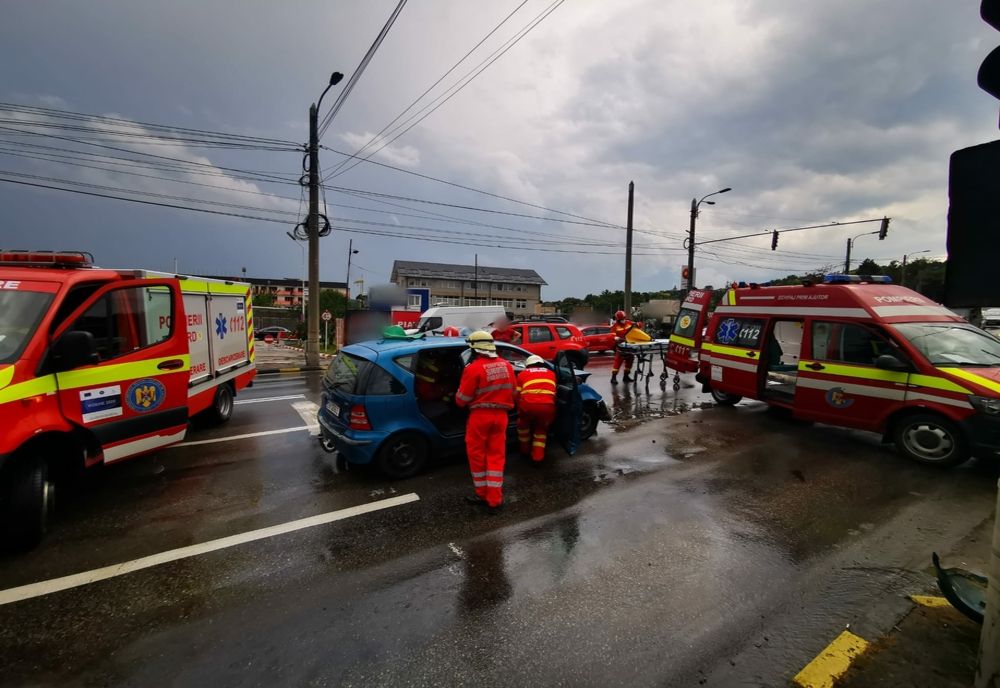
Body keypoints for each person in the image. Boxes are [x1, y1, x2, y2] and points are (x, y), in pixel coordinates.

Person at [455, 330, 517, 514]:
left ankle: (482, 494)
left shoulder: (473, 368)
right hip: (502, 416)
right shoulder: (507, 365)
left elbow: (462, 400)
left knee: (477, 454)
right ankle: (495, 498)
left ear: (474, 349)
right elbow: (514, 392)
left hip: (480, 416)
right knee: (496, 455)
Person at [515, 355, 557, 462]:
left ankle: (524, 451)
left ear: (528, 365)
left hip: (528, 406)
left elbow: (517, 395)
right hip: (547, 407)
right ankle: (537, 458)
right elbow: (554, 393)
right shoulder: (551, 374)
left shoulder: (522, 374)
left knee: (523, 426)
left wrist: (518, 408)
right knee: (541, 431)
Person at [610, 310, 635, 385]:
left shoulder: (629, 323)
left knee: (630, 361)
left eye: (624, 319)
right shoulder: (615, 326)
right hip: (621, 346)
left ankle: (626, 376)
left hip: (630, 345)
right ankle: (613, 378)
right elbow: (612, 335)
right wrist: (616, 338)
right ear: (618, 319)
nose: (623, 321)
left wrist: (638, 324)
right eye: (621, 319)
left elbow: (638, 326)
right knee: (618, 362)